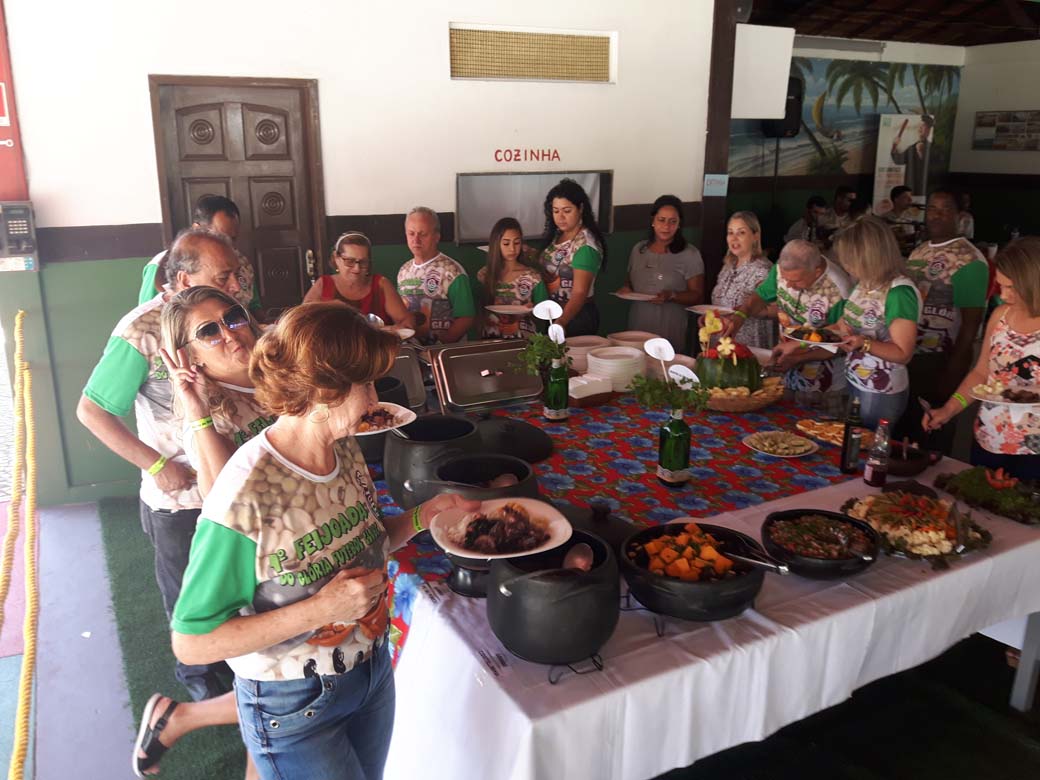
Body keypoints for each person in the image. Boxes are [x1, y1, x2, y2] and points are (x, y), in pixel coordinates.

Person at [169, 303, 478, 780]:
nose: (375, 398)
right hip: (294, 704)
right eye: (367, 385)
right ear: (323, 392)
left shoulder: (343, 447)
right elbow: (192, 642)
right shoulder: (245, 496)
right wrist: (321, 609)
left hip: (370, 671)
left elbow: (365, 542)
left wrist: (422, 516)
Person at [77, 229, 243, 703]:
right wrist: (155, 466)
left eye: (235, 276)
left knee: (234, 590)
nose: (235, 287)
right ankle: (201, 685)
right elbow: (92, 411)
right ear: (184, 279)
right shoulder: (141, 332)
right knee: (191, 598)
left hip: (233, 488)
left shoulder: (229, 315)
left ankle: (238, 675)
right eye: (224, 277)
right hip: (181, 498)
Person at [133, 286, 270, 778]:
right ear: (189, 356)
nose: (229, 333)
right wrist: (195, 408)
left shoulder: (276, 375)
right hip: (264, 569)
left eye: (233, 318)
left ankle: (179, 717)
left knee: (278, 695)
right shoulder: (210, 409)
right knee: (277, 695)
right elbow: (220, 497)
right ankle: (181, 717)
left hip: (303, 545)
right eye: (209, 331)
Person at [923, 237, 1040, 480]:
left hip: (1034, 450)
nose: (1004, 295)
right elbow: (981, 373)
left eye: (1012, 288)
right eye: (1001, 286)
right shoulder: (1000, 316)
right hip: (990, 435)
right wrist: (949, 409)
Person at [897, 189, 989, 453]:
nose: (936, 215)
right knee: (903, 435)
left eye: (945, 209)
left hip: (940, 359)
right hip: (908, 355)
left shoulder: (969, 260)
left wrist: (952, 374)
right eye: (932, 209)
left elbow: (971, 326)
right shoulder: (919, 252)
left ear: (960, 215)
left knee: (931, 439)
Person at [724, 240, 851, 416]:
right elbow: (760, 296)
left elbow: (840, 342)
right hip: (785, 372)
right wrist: (739, 317)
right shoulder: (783, 268)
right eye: (785, 279)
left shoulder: (839, 290)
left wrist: (799, 357)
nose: (789, 285)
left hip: (822, 386)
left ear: (817, 271)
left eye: (796, 281)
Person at [830, 217, 921, 428]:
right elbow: (846, 321)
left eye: (850, 259)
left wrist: (864, 343)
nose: (846, 265)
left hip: (880, 388)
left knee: (867, 443)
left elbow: (903, 353)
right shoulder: (864, 282)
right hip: (855, 378)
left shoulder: (899, 292)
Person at [138, 196, 260, 312]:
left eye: (232, 238)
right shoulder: (159, 266)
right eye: (219, 236)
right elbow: (151, 311)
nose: (227, 244)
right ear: (197, 229)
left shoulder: (242, 263)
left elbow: (253, 307)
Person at [615, 195, 704, 352]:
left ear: (679, 224)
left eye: (673, 221)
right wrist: (626, 288)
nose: (666, 226)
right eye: (661, 220)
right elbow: (630, 281)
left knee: (666, 362)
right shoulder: (638, 250)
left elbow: (697, 295)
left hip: (670, 326)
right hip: (638, 323)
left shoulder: (690, 254)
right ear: (653, 221)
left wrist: (672, 295)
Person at [304, 231, 415, 329]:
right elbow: (302, 320)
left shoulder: (380, 284)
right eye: (349, 261)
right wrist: (331, 306)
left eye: (363, 262)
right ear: (336, 258)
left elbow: (406, 321)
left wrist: (392, 329)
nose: (357, 269)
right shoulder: (324, 285)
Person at [539, 178, 608, 336]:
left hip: (575, 316)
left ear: (580, 208)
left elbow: (579, 292)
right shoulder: (558, 235)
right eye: (556, 211)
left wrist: (562, 322)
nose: (560, 217)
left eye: (567, 211)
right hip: (554, 313)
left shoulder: (585, 245)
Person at [396, 207, 475, 344]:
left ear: (437, 237)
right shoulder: (403, 271)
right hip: (411, 350)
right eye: (411, 233)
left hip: (443, 352)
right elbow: (400, 311)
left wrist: (440, 346)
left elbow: (466, 317)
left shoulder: (452, 271)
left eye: (423, 234)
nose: (416, 240)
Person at [711, 211, 775, 349]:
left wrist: (745, 311)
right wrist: (710, 317)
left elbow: (773, 310)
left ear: (755, 236)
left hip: (748, 347)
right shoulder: (727, 267)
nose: (734, 238)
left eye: (741, 233)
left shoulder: (763, 270)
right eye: (730, 233)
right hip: (722, 343)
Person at [477, 217, 548, 339]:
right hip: (491, 338)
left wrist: (533, 309)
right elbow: (475, 311)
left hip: (524, 339)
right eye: (506, 243)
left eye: (517, 243)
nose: (512, 249)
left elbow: (544, 312)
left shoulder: (533, 276)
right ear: (496, 244)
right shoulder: (484, 274)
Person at [891, 115, 933, 197]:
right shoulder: (912, 147)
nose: (920, 128)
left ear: (929, 130)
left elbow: (934, 166)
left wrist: (922, 153)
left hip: (926, 189)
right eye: (919, 126)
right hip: (911, 188)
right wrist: (895, 146)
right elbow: (898, 160)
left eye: (923, 126)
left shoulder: (933, 147)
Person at [883, 185, 919, 255]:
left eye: (910, 197)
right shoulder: (885, 218)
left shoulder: (911, 218)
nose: (910, 200)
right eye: (906, 197)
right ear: (896, 199)